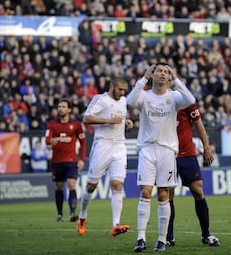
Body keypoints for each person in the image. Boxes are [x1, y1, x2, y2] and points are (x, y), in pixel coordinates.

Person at [127, 63, 196, 252]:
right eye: (159, 71)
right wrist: (142, 79)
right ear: (152, 75)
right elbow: (130, 101)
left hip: (167, 151)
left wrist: (177, 81)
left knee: (164, 194)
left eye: (166, 71)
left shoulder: (174, 97)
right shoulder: (144, 96)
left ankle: (162, 239)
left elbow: (191, 99)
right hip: (147, 150)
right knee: (145, 192)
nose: (163, 74)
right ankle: (141, 238)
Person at [77, 77, 133, 237]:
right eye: (120, 89)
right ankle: (82, 216)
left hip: (119, 146)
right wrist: (108, 120)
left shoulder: (123, 101)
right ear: (111, 87)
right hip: (102, 145)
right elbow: (86, 118)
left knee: (117, 185)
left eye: (124, 90)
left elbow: (120, 119)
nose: (122, 92)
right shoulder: (100, 99)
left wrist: (127, 122)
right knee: (91, 186)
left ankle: (116, 224)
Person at [167, 105, 221, 247]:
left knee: (198, 190)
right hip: (167, 154)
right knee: (167, 195)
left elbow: (199, 124)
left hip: (187, 154)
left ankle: (206, 234)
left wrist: (207, 148)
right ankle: (168, 236)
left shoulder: (186, 102)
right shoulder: (159, 101)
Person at [45, 98, 86, 223]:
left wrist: (82, 159)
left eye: (63, 106)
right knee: (59, 186)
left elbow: (83, 143)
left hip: (71, 160)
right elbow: (47, 139)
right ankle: (60, 214)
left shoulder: (76, 125)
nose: (60, 109)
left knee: (71, 184)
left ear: (69, 109)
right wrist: (50, 141)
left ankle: (72, 213)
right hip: (57, 161)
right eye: (59, 106)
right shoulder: (52, 124)